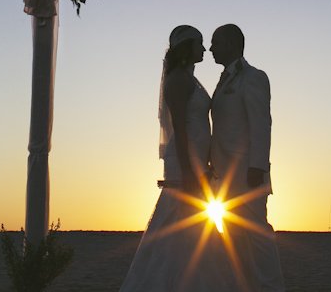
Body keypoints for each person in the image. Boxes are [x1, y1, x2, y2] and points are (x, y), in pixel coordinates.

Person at [120, 25, 232, 292]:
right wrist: (190, 170)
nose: (204, 49)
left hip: (193, 159)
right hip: (184, 160)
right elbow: (180, 129)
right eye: (199, 44)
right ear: (187, 47)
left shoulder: (188, 78)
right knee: (180, 222)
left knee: (191, 226)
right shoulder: (179, 80)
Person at [209, 24, 285, 292]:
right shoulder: (224, 79)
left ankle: (271, 286)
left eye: (215, 42)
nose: (210, 48)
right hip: (225, 175)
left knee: (257, 233)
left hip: (246, 171)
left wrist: (257, 166)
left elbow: (261, 123)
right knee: (233, 234)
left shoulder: (253, 77)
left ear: (231, 43)